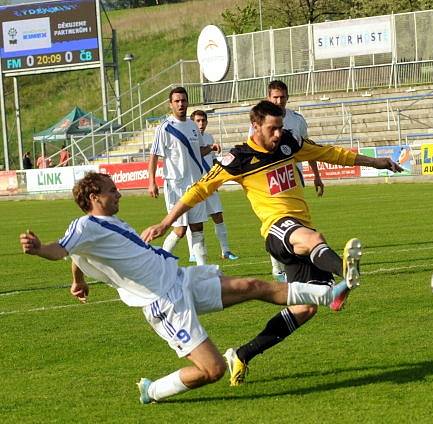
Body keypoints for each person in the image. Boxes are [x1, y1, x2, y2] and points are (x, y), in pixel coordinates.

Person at [19, 172, 356, 403]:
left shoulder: (107, 223)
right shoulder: (84, 224)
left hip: (180, 278)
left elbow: (78, 255)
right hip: (164, 303)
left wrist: (78, 282)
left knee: (254, 285)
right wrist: (38, 250)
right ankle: (153, 391)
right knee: (213, 370)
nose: (118, 192)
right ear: (94, 196)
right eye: (111, 189)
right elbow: (62, 250)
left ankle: (327, 293)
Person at [141, 100, 403, 387]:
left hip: (299, 226)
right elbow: (199, 190)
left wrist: (376, 162)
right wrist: (167, 222)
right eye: (272, 128)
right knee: (314, 240)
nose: (278, 134)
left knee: (305, 308)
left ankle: (242, 354)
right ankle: (345, 273)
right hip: (277, 229)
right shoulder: (238, 158)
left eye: (280, 127)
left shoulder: (289, 142)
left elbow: (330, 153)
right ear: (255, 125)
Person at [256, 80, 324, 282]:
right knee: (276, 222)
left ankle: (295, 265)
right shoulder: (259, 122)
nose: (279, 101)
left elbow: (309, 149)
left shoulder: (297, 120)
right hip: (269, 180)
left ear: (287, 97)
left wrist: (317, 175)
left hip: (294, 178)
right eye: (275, 97)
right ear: (268, 98)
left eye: (282, 97)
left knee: (297, 221)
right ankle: (278, 267)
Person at [147, 87, 211, 265]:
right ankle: (159, 261)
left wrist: (212, 149)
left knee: (198, 227)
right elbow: (153, 155)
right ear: (171, 104)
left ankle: (202, 269)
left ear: (187, 102)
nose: (181, 104)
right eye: (177, 101)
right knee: (180, 229)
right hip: (176, 185)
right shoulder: (165, 128)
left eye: (183, 100)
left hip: (196, 184)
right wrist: (151, 181)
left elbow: (199, 150)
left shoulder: (192, 125)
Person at [189, 109, 239, 261]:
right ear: (192, 122)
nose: (201, 124)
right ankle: (194, 253)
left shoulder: (209, 137)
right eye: (198, 121)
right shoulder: (190, 138)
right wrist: (210, 148)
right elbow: (196, 154)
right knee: (194, 222)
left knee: (218, 216)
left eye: (203, 120)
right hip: (195, 184)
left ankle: (225, 250)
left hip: (210, 184)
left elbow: (211, 160)